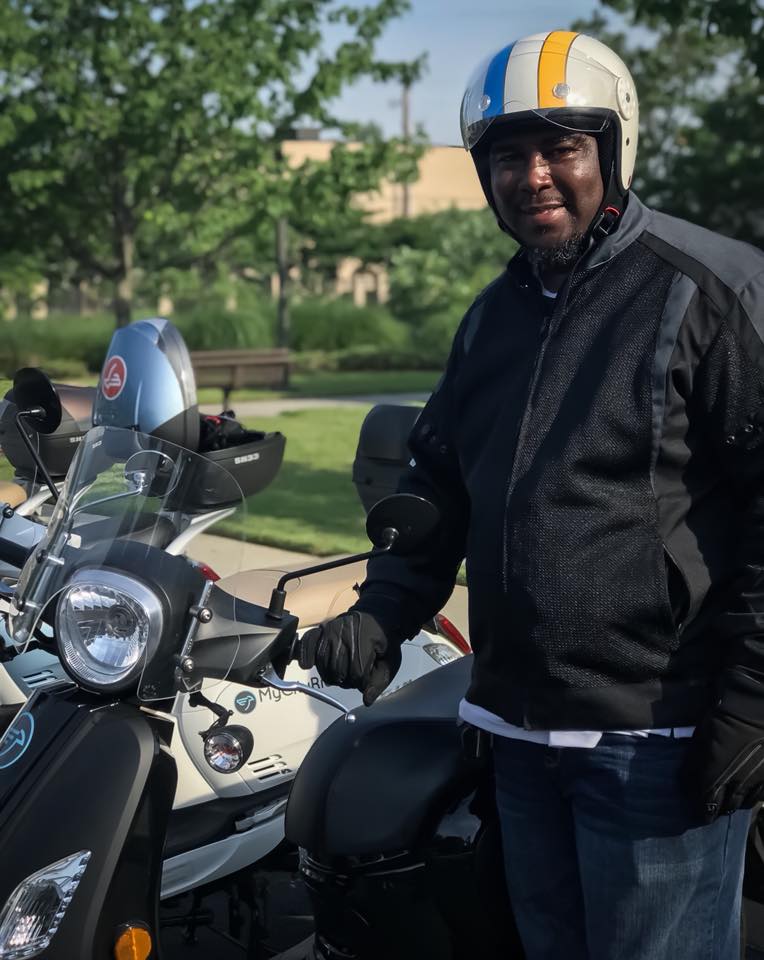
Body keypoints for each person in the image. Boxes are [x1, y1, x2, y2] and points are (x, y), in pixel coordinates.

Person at [295, 30, 764, 960]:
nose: (534, 176)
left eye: (561, 147)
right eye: (508, 156)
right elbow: (436, 486)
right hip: (514, 731)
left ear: (613, 151)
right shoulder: (491, 317)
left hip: (657, 737)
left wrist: (754, 703)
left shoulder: (710, 289)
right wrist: (383, 612)